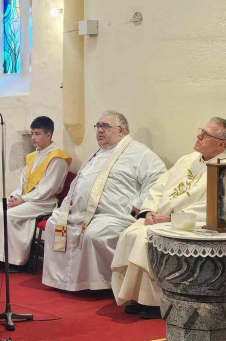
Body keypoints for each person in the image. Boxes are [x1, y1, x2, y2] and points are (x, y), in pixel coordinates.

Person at [111, 118, 226, 318]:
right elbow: (159, 186)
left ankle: (156, 302)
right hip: (161, 219)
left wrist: (171, 218)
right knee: (132, 232)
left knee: (145, 239)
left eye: (206, 135)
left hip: (187, 226)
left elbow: (214, 209)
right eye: (200, 131)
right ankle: (139, 298)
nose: (199, 136)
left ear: (221, 144)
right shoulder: (188, 159)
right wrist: (149, 211)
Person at [42, 111, 165, 294]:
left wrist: (139, 206)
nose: (100, 130)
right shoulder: (95, 154)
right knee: (54, 223)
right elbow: (78, 183)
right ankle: (64, 280)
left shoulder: (140, 153)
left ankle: (100, 284)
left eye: (105, 126)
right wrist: (66, 207)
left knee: (94, 234)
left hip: (113, 215)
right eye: (98, 126)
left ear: (121, 130)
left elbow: (158, 179)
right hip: (80, 213)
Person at [0, 116, 71, 270]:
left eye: (37, 134)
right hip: (29, 200)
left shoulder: (57, 159)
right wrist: (15, 197)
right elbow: (23, 184)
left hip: (45, 202)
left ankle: (16, 261)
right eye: (32, 133)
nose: (33, 138)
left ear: (48, 135)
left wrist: (23, 200)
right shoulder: (32, 156)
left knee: (7, 215)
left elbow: (47, 189)